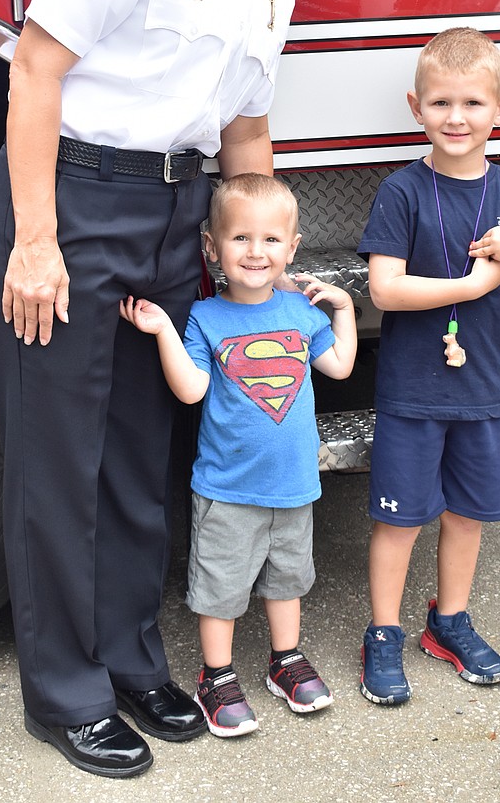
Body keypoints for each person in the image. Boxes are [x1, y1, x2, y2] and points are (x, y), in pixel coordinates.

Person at [0, 0, 298, 778]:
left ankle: (130, 660)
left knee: (137, 461)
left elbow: (245, 130)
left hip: (175, 212)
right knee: (59, 464)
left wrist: (257, 257)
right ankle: (65, 694)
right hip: (72, 202)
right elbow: (36, 68)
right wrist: (35, 240)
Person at [356, 27, 500, 706]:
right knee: (399, 519)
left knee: (466, 515)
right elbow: (384, 289)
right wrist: (471, 285)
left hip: (483, 392)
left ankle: (448, 621)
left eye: (472, 103)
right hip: (411, 393)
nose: (456, 117)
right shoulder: (402, 191)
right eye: (440, 103)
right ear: (416, 107)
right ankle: (383, 632)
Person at [120, 173, 357, 737]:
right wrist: (163, 331)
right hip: (228, 488)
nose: (256, 251)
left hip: (294, 485)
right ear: (212, 246)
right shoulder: (207, 317)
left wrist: (345, 308)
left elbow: (341, 366)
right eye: (241, 238)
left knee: (287, 580)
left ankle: (286, 660)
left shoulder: (302, 313)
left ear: (292, 248)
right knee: (220, 587)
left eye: (271, 239)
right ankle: (216, 676)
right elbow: (191, 390)